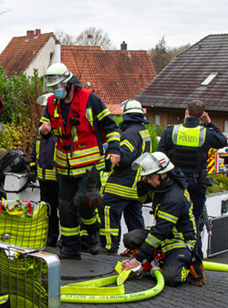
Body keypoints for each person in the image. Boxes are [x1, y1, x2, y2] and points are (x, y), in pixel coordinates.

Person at [38, 62, 120, 259]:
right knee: (65, 208)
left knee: (85, 201)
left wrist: (115, 149)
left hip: (88, 166)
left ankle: (93, 234)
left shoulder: (90, 99)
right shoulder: (51, 103)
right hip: (64, 167)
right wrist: (44, 130)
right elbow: (44, 126)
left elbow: (111, 126)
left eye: (57, 86)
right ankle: (71, 248)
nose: (55, 90)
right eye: (52, 87)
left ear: (68, 83)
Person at [120, 152, 196, 287]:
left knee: (171, 278)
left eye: (150, 177)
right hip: (164, 234)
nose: (149, 180)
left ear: (164, 174)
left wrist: (138, 259)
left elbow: (160, 232)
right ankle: (155, 260)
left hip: (179, 240)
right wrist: (143, 184)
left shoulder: (175, 198)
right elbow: (142, 199)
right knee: (130, 238)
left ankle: (183, 265)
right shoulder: (161, 187)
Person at [157, 100, 227, 226]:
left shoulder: (172, 131)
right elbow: (222, 141)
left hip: (175, 183)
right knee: (193, 222)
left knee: (171, 219)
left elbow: (159, 155)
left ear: (186, 112)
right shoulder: (206, 133)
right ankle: (193, 245)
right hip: (196, 184)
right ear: (202, 115)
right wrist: (209, 122)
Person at [99, 99, 152, 254]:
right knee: (135, 220)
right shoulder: (143, 131)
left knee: (108, 211)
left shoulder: (129, 134)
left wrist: (109, 155)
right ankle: (140, 250)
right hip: (135, 186)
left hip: (121, 185)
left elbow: (124, 158)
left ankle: (109, 248)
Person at [33, 93, 59, 247]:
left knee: (62, 209)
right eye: (43, 107)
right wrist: (32, 166)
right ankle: (50, 235)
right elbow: (36, 149)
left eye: (46, 107)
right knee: (47, 209)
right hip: (43, 177)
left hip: (58, 177)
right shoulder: (40, 129)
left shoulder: (58, 128)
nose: (43, 110)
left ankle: (64, 238)